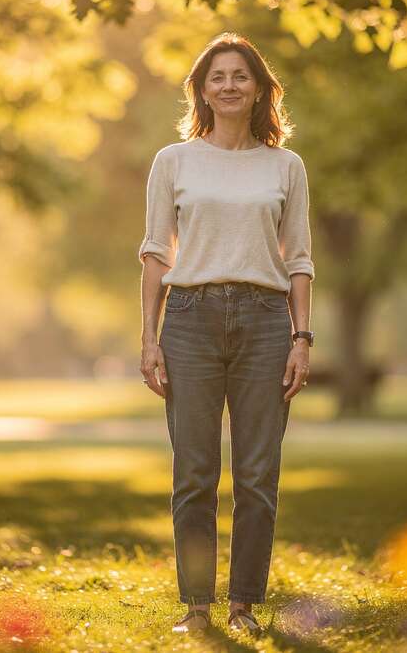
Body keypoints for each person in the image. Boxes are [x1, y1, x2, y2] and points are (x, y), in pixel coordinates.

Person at [137, 33, 316, 636]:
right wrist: (149, 338)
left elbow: (299, 259)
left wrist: (301, 338)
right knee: (193, 472)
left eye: (241, 75)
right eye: (218, 76)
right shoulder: (173, 161)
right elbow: (156, 253)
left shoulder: (286, 166)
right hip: (190, 320)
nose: (230, 85)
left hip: (266, 323)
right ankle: (197, 607)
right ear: (202, 91)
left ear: (260, 88)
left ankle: (243, 604)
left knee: (257, 475)